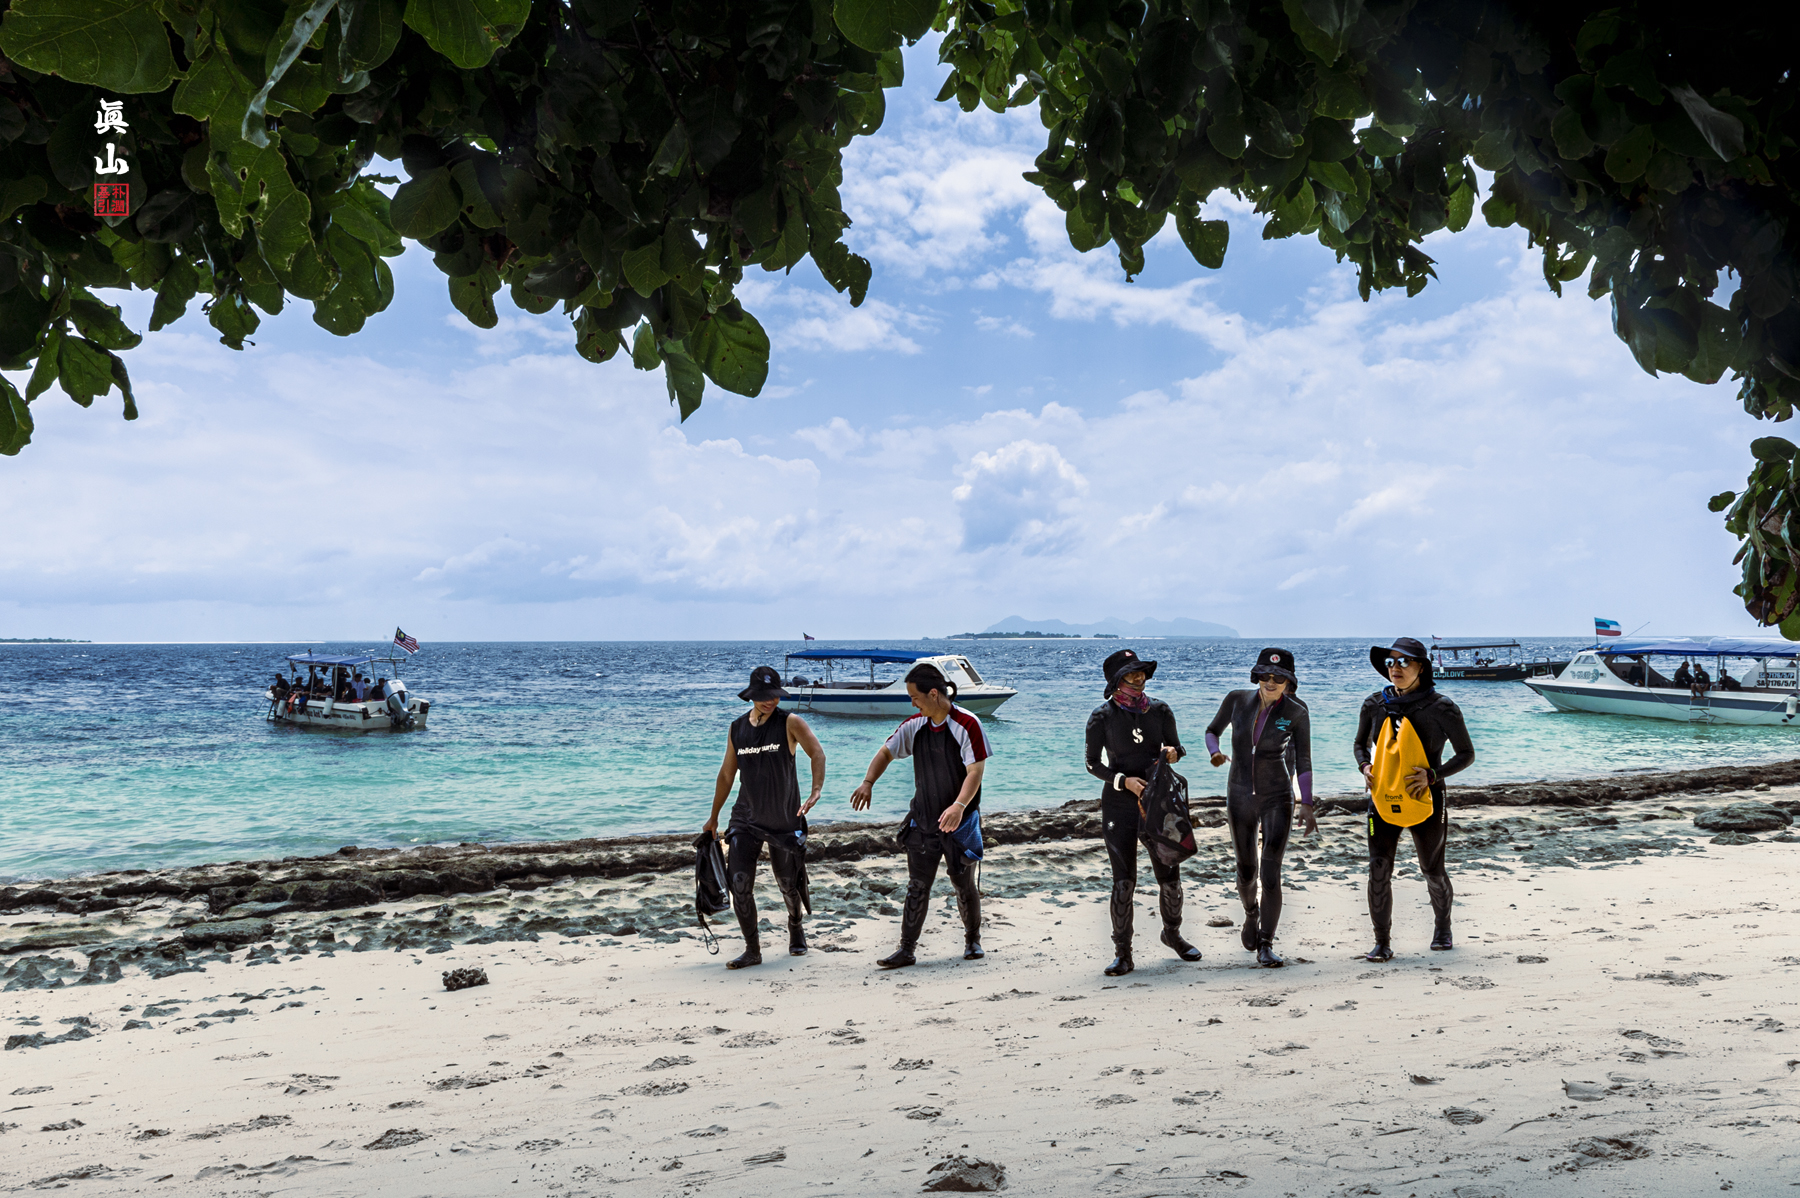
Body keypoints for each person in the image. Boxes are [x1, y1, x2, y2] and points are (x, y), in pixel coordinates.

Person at [851, 663, 990, 969]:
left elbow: (975, 771)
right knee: (917, 886)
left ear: (934, 694)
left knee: (963, 884)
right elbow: (886, 752)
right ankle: (906, 950)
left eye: (915, 697)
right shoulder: (914, 725)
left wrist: (959, 806)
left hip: (959, 821)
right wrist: (868, 782)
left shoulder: (967, 724)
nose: (912, 703)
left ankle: (973, 941)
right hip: (923, 820)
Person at [1353, 638, 1475, 961]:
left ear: (1422, 667)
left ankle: (1443, 928)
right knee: (1378, 868)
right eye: (1391, 662)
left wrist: (1433, 775)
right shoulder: (1373, 705)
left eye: (1404, 661)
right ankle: (1382, 942)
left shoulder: (1442, 708)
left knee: (1432, 870)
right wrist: (1365, 766)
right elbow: (1359, 745)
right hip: (1383, 798)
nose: (1396, 668)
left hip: (1427, 800)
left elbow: (1466, 754)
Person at [703, 666, 826, 970]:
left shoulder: (790, 722)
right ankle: (752, 949)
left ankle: (795, 925)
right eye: (763, 696)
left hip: (783, 818)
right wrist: (713, 817)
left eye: (774, 695)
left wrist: (816, 790)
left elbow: (817, 753)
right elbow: (727, 774)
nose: (770, 701)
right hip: (745, 817)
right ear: (752, 696)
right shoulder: (737, 729)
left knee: (787, 882)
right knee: (739, 881)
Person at [1083, 648, 1196, 977]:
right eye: (1130, 674)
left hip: (1158, 803)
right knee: (1124, 882)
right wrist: (1123, 781)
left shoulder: (1160, 710)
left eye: (1141, 672)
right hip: (1119, 804)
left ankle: (1172, 934)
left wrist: (1173, 752)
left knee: (1170, 878)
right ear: (1116, 680)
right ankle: (1123, 953)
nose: (1138, 678)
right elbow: (1092, 764)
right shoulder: (1102, 717)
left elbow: (1178, 747)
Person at [1205, 647, 1315, 968]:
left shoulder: (1296, 712)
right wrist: (1215, 751)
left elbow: (1304, 760)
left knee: (1270, 871)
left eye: (1278, 677)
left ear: (1288, 681)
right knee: (1246, 871)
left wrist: (1307, 802)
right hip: (1239, 795)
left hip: (1278, 796)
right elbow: (1212, 730)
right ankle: (1251, 913)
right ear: (1257, 676)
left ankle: (1266, 943)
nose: (1271, 681)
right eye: (1265, 675)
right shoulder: (1237, 700)